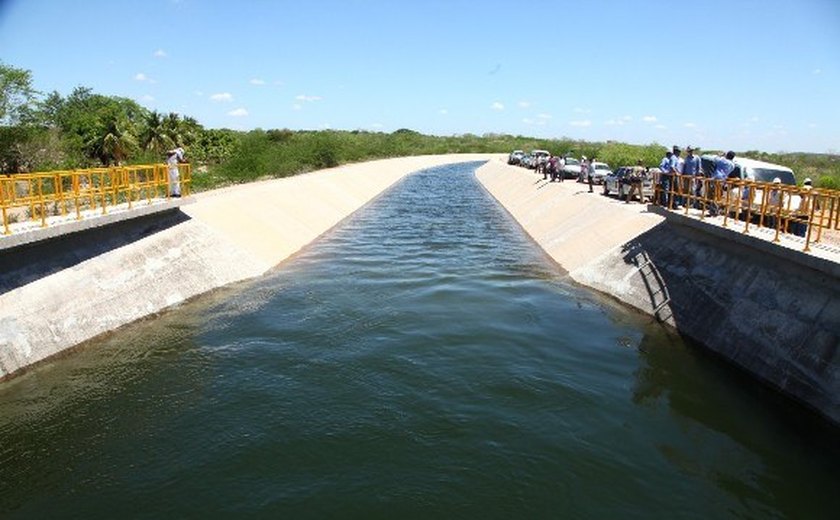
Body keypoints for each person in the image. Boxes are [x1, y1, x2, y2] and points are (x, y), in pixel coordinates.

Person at [709, 151, 735, 216]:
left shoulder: (722, 160)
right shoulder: (732, 165)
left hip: (716, 178)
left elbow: (714, 159)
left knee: (713, 194)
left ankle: (713, 211)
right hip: (723, 180)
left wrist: (720, 155)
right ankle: (716, 210)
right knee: (719, 195)